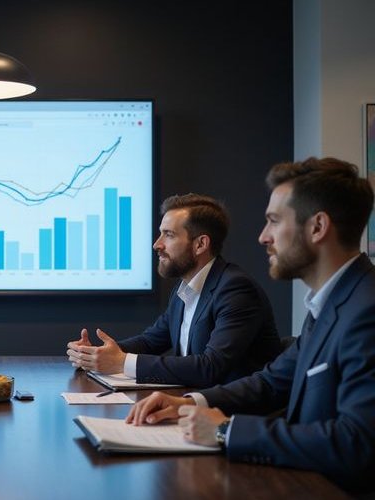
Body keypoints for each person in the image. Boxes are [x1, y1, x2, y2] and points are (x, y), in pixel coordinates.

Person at [126, 158, 375, 494]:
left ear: (317, 227)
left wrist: (225, 431)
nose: (263, 237)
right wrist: (190, 402)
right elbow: (271, 383)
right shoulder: (331, 303)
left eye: (274, 221)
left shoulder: (366, 310)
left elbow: (357, 443)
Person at [67, 194, 281, 387]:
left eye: (168, 235)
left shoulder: (236, 290)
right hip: (193, 404)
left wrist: (123, 362)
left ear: (200, 244)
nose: (156, 245)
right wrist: (95, 354)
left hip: (230, 413)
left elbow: (211, 367)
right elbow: (150, 341)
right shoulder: (185, 288)